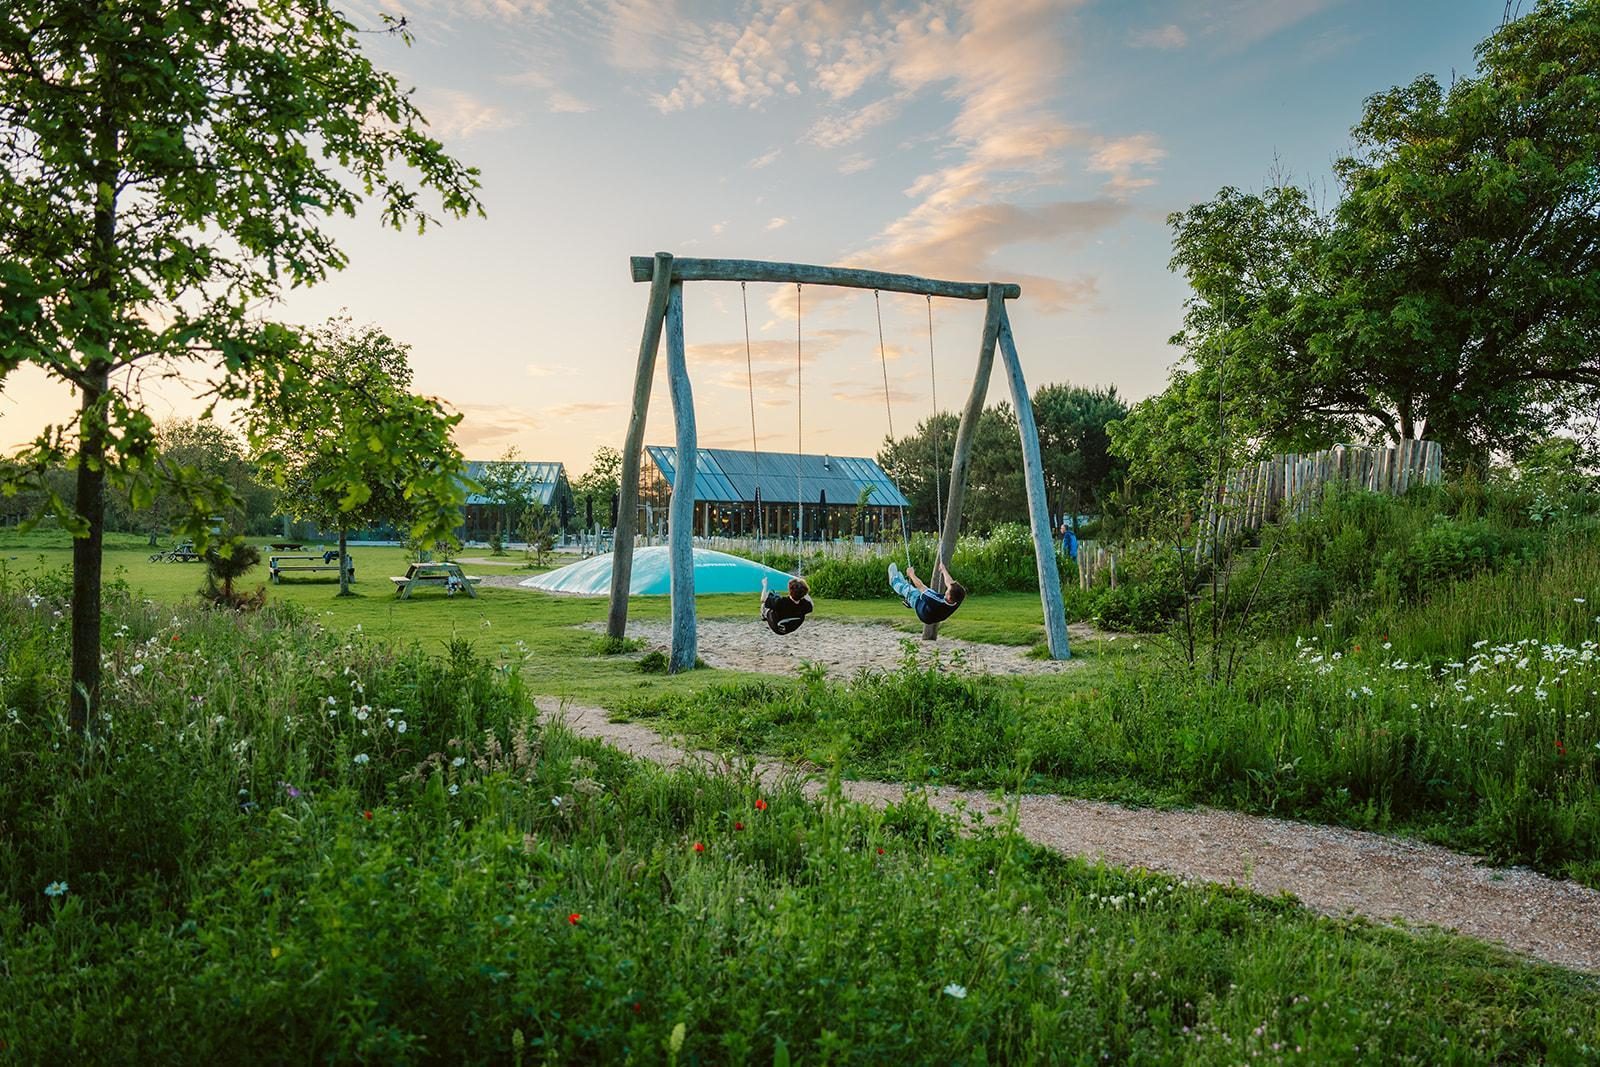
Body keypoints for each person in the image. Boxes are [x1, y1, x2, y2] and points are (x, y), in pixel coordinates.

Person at [887, 559, 964, 624]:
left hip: (923, 612)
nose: (946, 590)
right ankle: (904, 584)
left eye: (948, 590)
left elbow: (921, 586)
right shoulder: (958, 598)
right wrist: (943, 570)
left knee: (911, 592)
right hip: (934, 614)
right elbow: (949, 582)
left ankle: (894, 581)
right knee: (926, 592)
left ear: (949, 598)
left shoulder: (936, 602)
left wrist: (911, 575)